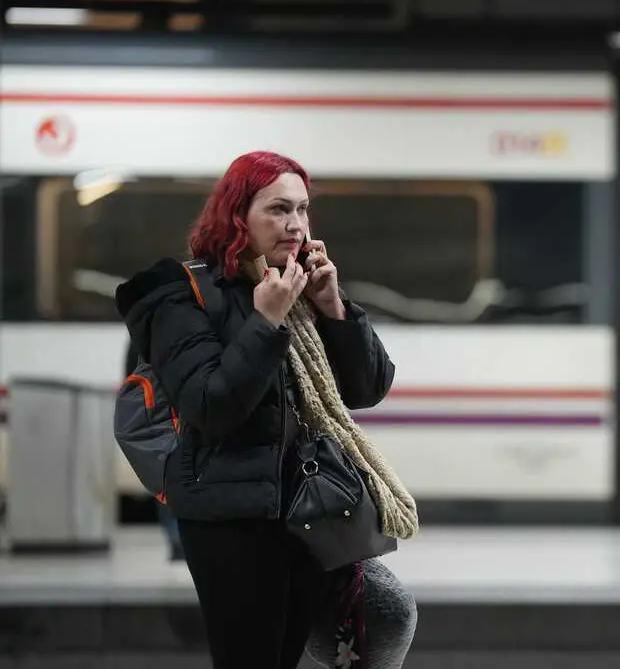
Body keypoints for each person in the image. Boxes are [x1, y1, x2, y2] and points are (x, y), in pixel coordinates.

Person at [114, 150, 418, 668]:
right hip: (229, 520)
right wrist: (265, 322)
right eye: (279, 209)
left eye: (302, 210)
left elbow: (367, 388)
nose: (295, 225)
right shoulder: (182, 297)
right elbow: (212, 406)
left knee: (288, 655)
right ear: (237, 215)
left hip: (302, 514)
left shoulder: (297, 285)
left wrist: (333, 308)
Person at [123, 340, 185, 562]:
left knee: (167, 476)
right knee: (171, 476)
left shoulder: (145, 321)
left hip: (161, 414)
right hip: (169, 413)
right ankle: (178, 540)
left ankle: (178, 541)